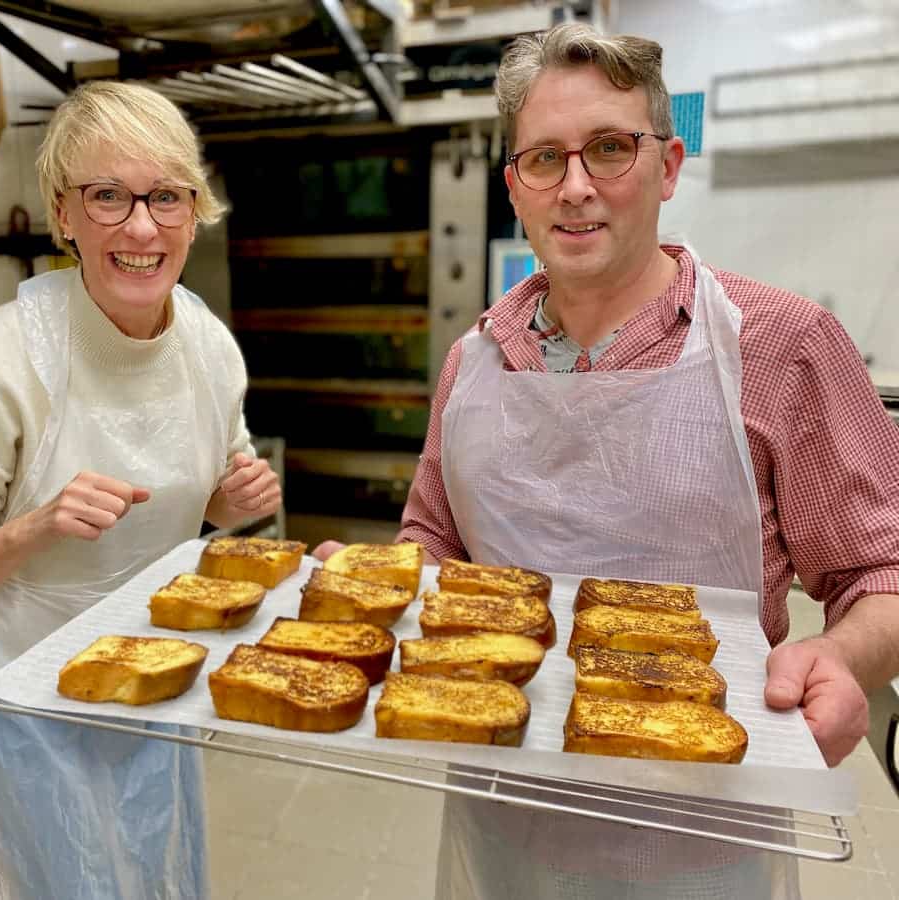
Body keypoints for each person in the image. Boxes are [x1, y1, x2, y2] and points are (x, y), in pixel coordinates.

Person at [316, 22, 899, 899]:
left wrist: (847, 659)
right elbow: (433, 542)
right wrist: (379, 582)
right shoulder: (475, 359)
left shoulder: (782, 347)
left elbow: (880, 568)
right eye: (544, 159)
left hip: (704, 834)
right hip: (500, 813)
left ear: (666, 167)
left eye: (610, 149)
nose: (577, 187)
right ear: (515, 186)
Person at [0, 81, 279, 900]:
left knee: (159, 871)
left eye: (166, 196)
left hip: (158, 676)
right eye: (107, 196)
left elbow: (202, 502)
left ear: (195, 209)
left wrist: (233, 502)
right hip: (25, 705)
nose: (141, 227)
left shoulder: (208, 346)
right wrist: (33, 529)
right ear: (63, 215)